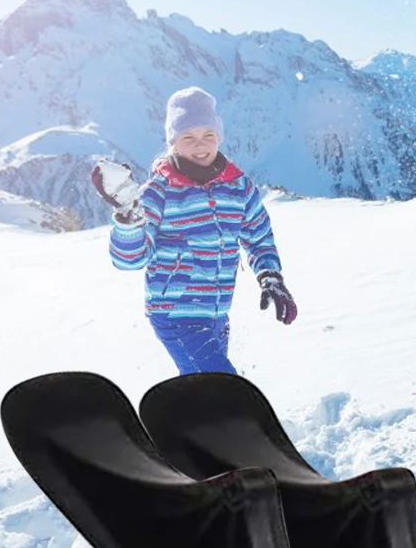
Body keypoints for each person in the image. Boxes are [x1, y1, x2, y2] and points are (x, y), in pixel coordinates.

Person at [92, 86, 297, 375]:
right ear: (174, 141)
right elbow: (130, 260)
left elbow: (259, 236)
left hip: (217, 313)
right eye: (188, 137)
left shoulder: (238, 188)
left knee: (200, 389)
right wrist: (129, 218)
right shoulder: (158, 192)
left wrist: (270, 275)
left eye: (208, 135)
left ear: (219, 137)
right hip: (175, 314)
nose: (200, 145)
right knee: (223, 386)